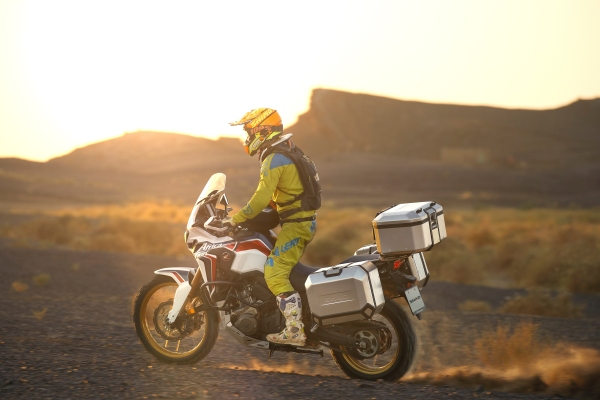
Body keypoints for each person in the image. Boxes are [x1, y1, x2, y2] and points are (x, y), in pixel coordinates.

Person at [224, 108, 317, 346]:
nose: (247, 136)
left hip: (296, 227)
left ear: (262, 130)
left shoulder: (274, 158)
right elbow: (279, 197)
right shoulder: (288, 150)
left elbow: (260, 198)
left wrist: (236, 219)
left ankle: (294, 331)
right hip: (298, 223)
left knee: (275, 273)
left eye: (249, 131)